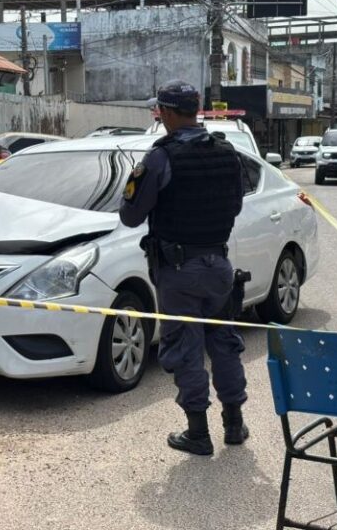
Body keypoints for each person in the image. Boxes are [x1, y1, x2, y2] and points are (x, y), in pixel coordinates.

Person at [119, 80, 247, 456]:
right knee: (224, 343)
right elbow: (236, 206)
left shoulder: (160, 157)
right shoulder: (227, 152)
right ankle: (234, 424)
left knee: (185, 346)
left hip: (179, 271)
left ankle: (198, 432)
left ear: (169, 113)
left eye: (160, 112)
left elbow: (130, 216)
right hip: (219, 265)